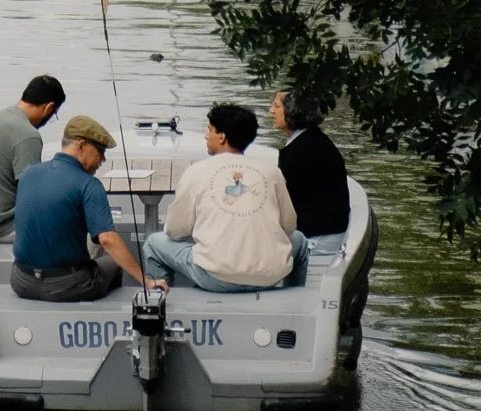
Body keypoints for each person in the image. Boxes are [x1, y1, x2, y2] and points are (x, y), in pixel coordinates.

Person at [143, 104, 301, 293]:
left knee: (154, 242)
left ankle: (161, 302)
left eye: (209, 129)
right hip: (270, 277)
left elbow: (175, 231)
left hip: (215, 277)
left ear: (222, 136)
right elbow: (289, 226)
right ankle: (295, 297)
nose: (205, 135)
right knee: (300, 241)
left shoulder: (196, 171)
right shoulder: (272, 172)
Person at [10, 117, 151, 303]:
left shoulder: (28, 173)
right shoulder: (89, 185)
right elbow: (107, 239)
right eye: (100, 151)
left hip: (22, 281)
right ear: (82, 146)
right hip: (66, 286)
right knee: (113, 265)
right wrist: (145, 280)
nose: (103, 159)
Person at [0, 74, 65, 240]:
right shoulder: (28, 135)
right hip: (0, 228)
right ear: (49, 107)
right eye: (54, 114)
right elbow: (32, 196)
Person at [270, 85, 352, 268]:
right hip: (326, 231)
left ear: (293, 112)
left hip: (317, 240)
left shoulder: (301, 151)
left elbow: (286, 202)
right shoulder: (311, 140)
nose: (271, 111)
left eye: (276, 106)